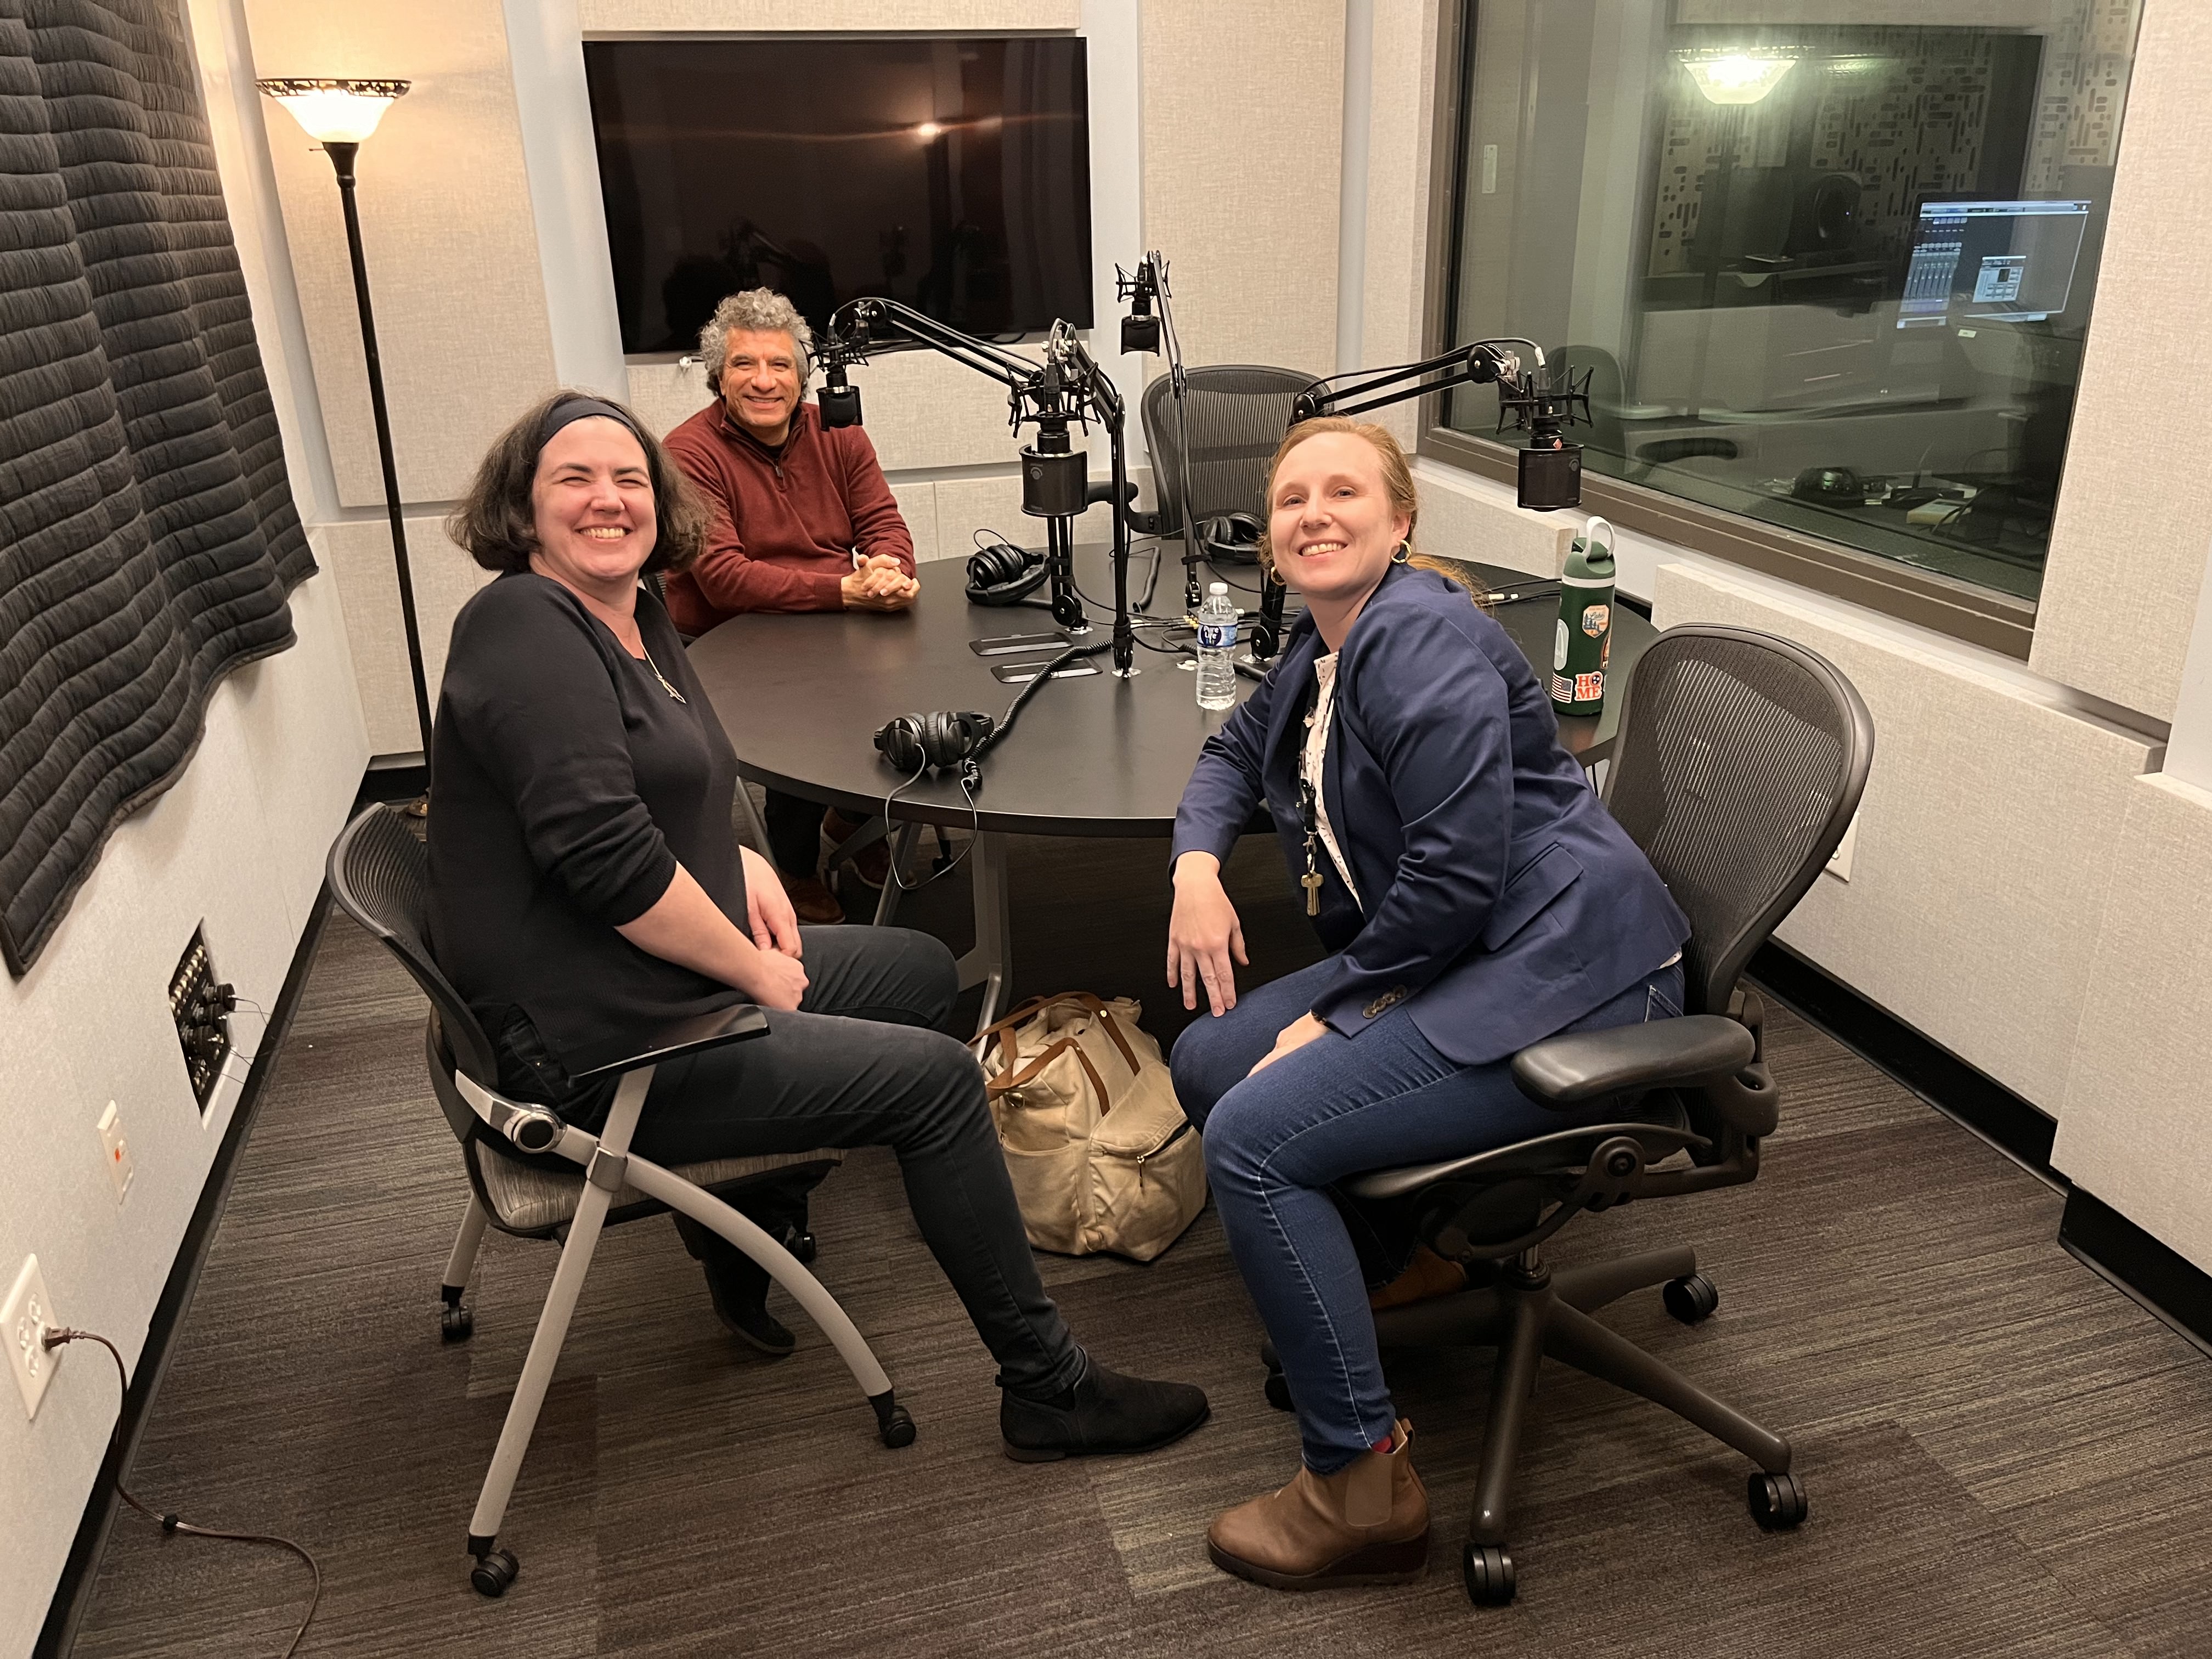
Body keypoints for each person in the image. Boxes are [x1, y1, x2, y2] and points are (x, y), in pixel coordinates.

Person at [429, 389, 1209, 1463]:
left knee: (919, 970)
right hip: (598, 1045)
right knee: (937, 1086)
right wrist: (748, 964)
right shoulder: (522, 625)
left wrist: (743, 858)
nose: (608, 499)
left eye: (629, 478)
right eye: (574, 478)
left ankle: (759, 1207)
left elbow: (674, 784)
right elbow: (606, 862)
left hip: (631, 979)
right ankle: (1048, 1387)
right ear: (521, 508)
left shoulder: (635, 610)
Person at [1163, 418, 1690, 1591]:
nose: (1313, 513)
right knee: (1208, 1061)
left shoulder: (1419, 639)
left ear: (1402, 523)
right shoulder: (1322, 648)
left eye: (1343, 491)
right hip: (1476, 948)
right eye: (1291, 498)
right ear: (1271, 543)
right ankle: (1406, 1264)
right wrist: (1196, 868)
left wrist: (1339, 1010)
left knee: (1253, 1137)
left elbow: (1450, 882)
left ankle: (1360, 1485)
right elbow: (1225, 760)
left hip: (1576, 970)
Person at [661, 287, 917, 924]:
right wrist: (842, 591)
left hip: (831, 621)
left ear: (802, 376)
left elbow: (884, 523)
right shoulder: (687, 453)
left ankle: (855, 818)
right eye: (745, 365)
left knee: (914, 682)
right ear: (719, 378)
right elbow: (724, 578)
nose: (764, 380)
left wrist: (888, 568)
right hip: (729, 637)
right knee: (801, 719)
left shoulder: (840, 432)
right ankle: (796, 865)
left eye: (780, 365)